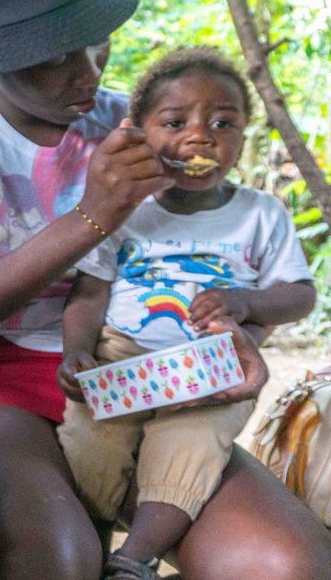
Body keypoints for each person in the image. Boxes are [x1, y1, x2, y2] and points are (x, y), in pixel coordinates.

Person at [0, 0, 331, 578]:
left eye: (98, 45)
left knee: (289, 562)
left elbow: (216, 262)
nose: (87, 74)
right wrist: (91, 216)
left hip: (143, 374)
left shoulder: (143, 128)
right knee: (52, 559)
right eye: (58, 55)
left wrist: (237, 328)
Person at [56, 47, 317, 579]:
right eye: (175, 122)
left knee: (190, 451)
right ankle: (89, 541)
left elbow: (299, 294)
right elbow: (90, 291)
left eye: (224, 122)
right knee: (88, 444)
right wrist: (77, 350)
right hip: (121, 360)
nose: (201, 137)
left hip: (213, 370)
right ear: (139, 132)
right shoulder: (125, 211)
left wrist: (247, 303)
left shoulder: (260, 214)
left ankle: (133, 561)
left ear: (244, 136)